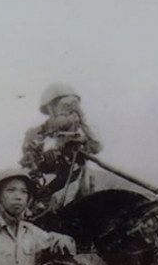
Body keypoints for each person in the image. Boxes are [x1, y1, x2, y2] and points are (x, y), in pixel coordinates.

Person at [20, 82, 102, 213]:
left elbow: (97, 146)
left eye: (72, 106)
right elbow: (29, 164)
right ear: (51, 109)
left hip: (78, 188)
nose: (68, 111)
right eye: (63, 105)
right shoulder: (37, 134)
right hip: (49, 191)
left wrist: (83, 120)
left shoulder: (81, 135)